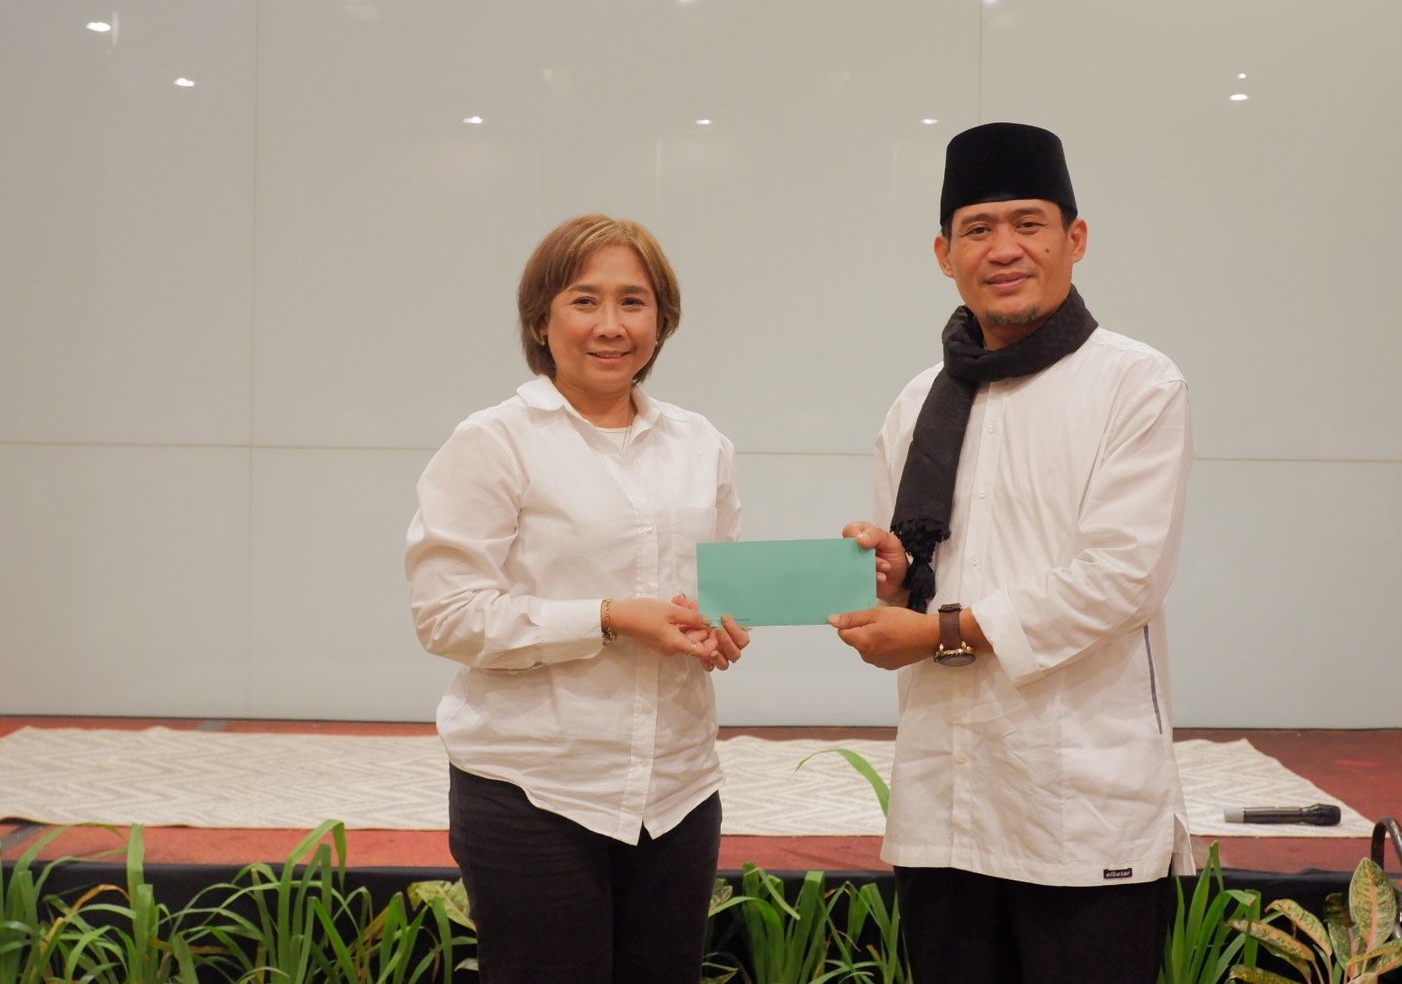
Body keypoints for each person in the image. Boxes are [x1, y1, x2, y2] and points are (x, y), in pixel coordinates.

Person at [830, 122, 1194, 984]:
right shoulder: (917, 401)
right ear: (942, 252)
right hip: (944, 804)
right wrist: (892, 581)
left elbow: (1120, 580)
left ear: (1075, 239)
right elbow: (917, 587)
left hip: (1080, 811)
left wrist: (938, 631)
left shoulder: (1136, 383)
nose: (1004, 248)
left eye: (1028, 224)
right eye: (978, 228)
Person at [404, 213, 750, 984]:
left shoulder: (703, 445)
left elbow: (713, 587)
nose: (611, 325)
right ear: (541, 318)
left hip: (678, 789)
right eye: (584, 301)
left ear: (662, 319)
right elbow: (448, 614)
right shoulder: (494, 440)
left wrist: (720, 629)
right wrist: (606, 618)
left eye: (633, 302)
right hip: (535, 787)